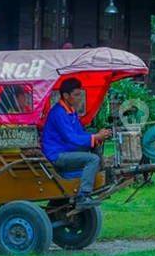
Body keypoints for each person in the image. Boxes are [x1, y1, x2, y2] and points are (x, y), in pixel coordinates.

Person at [42, 78, 112, 208]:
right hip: (57, 155)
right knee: (93, 159)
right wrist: (95, 136)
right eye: (76, 95)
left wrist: (97, 136)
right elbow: (72, 138)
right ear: (66, 96)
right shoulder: (58, 113)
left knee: (94, 150)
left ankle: (100, 178)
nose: (80, 98)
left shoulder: (70, 111)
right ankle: (83, 196)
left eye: (81, 94)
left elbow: (79, 133)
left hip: (66, 150)